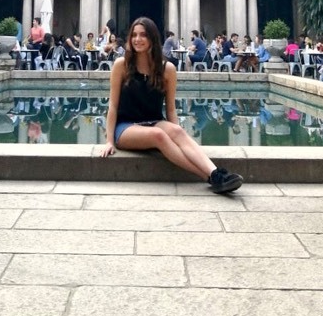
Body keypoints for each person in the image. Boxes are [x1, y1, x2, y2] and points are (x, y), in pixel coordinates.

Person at [100, 16, 243, 194]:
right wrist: (109, 141)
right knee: (158, 135)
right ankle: (211, 178)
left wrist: (178, 137)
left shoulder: (167, 69)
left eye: (143, 35)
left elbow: (170, 110)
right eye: (134, 35)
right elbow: (112, 105)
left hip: (153, 121)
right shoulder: (121, 65)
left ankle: (216, 173)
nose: (137, 39)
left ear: (152, 38)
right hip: (125, 127)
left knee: (176, 131)